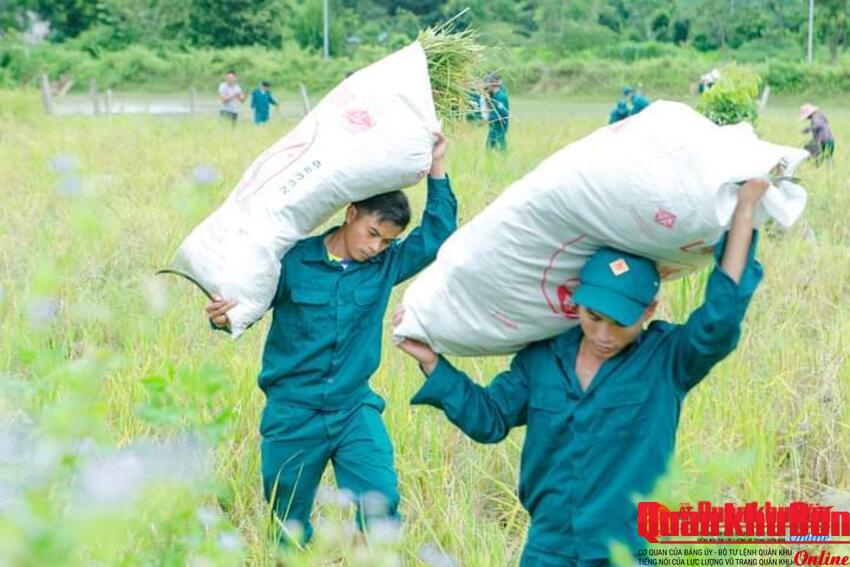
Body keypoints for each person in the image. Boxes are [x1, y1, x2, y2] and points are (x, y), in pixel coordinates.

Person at [395, 178, 771, 566]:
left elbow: (720, 320)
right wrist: (431, 362)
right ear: (576, 302)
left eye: (620, 322)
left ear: (648, 311)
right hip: (547, 548)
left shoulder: (666, 360)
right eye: (593, 317)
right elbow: (490, 418)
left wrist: (744, 213)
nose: (603, 335)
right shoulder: (543, 358)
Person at [206, 134, 457, 546]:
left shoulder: (385, 266)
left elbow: (438, 231)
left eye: (386, 241)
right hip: (292, 412)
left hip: (352, 407)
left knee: (381, 501)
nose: (375, 248)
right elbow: (243, 308)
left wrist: (438, 163)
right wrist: (221, 317)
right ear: (351, 213)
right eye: (372, 233)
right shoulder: (292, 260)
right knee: (288, 524)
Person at [484, 73, 510, 151]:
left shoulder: (500, 96)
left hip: (499, 126)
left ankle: (503, 160)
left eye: (488, 83)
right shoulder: (494, 96)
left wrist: (490, 118)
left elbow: (504, 113)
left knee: (499, 146)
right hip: (494, 126)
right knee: (490, 146)